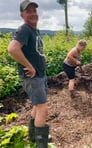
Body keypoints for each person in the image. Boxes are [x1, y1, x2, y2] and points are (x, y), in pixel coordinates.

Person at [8, 0, 49, 147]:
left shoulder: (34, 30)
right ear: (22, 15)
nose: (33, 14)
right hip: (32, 77)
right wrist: (29, 66)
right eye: (28, 11)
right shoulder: (24, 29)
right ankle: (41, 144)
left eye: (34, 11)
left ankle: (33, 137)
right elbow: (12, 49)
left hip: (39, 75)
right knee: (43, 109)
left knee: (37, 106)